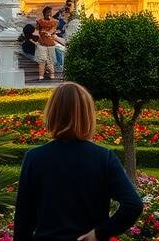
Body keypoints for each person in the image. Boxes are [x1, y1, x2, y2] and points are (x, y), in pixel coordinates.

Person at [14, 82, 143, 241]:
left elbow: (23, 221)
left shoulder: (34, 158)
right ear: (88, 114)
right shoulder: (103, 158)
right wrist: (99, 233)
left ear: (52, 114)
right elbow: (133, 205)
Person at [35, 6, 59, 81]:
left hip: (50, 43)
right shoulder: (39, 21)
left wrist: (48, 33)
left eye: (50, 12)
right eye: (48, 12)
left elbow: (53, 31)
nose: (49, 13)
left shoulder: (55, 22)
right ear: (44, 13)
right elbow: (36, 32)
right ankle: (41, 75)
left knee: (50, 60)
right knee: (42, 60)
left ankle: (52, 74)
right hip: (42, 43)